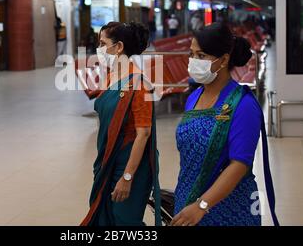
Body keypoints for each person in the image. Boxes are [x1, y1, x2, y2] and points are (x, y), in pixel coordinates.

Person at [171, 23, 279, 226]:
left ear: (224, 60)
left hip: (229, 210)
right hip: (187, 201)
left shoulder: (243, 105)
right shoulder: (194, 97)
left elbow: (239, 165)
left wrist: (202, 205)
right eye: (191, 54)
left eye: (201, 56)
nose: (193, 61)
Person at [81, 22, 161, 226]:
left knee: (125, 220)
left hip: (130, 163)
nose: (98, 49)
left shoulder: (140, 85)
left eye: (102, 43)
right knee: (105, 217)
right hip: (109, 157)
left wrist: (127, 177)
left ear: (118, 47)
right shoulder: (110, 76)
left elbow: (143, 134)